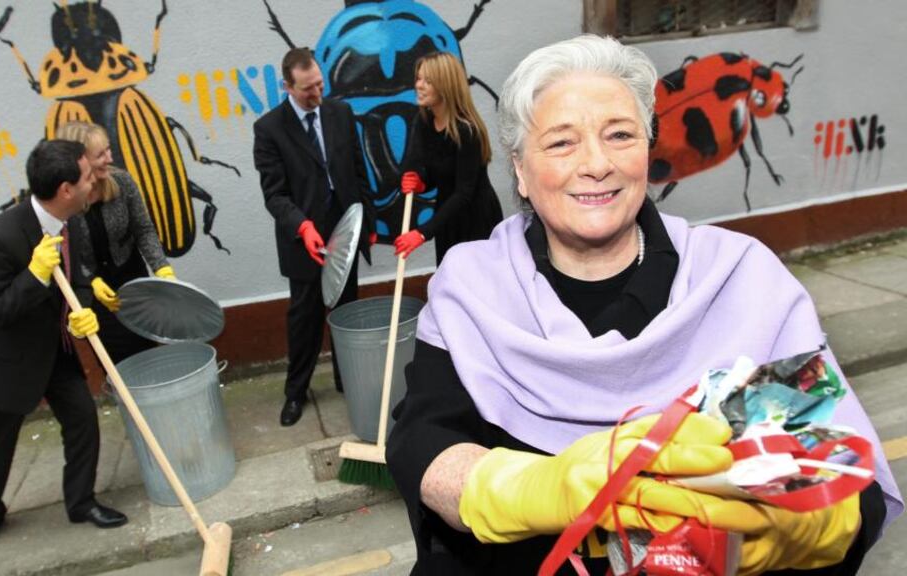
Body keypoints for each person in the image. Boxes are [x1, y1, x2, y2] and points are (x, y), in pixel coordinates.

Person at [386, 36, 902, 575]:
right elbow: (423, 442)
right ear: (520, 170)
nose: (596, 163)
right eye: (562, 143)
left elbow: (839, 459)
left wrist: (809, 525)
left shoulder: (743, 280)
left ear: (648, 150)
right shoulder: (472, 286)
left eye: (620, 135)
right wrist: (531, 488)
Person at [0, 140, 129, 567]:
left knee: (83, 422)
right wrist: (33, 275)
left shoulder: (72, 219)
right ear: (66, 188)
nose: (96, 180)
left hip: (53, 350)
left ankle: (81, 502)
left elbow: (74, 280)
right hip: (3, 362)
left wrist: (83, 304)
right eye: (88, 176)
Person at [253, 47, 375, 427]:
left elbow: (358, 170)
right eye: (307, 89)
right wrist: (303, 227)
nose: (317, 93)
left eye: (320, 84)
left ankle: (346, 379)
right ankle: (296, 392)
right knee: (304, 319)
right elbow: (275, 196)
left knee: (346, 311)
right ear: (287, 87)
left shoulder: (341, 112)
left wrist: (367, 222)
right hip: (303, 241)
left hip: (346, 234)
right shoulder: (269, 129)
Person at [54, 121, 175, 364]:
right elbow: (61, 252)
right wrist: (90, 281)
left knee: (148, 350)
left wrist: (162, 268)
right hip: (92, 295)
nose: (110, 158)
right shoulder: (63, 198)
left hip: (132, 280)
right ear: (80, 161)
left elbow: (143, 229)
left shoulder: (122, 182)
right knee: (118, 362)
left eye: (108, 150)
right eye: (100, 154)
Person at [394, 51, 503, 265]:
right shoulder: (425, 122)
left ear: (445, 85)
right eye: (418, 78)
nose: (418, 85)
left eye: (428, 80)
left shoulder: (466, 131)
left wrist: (423, 233)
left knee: (474, 283)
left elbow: (464, 192)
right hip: (448, 216)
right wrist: (421, 185)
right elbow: (440, 175)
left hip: (475, 220)